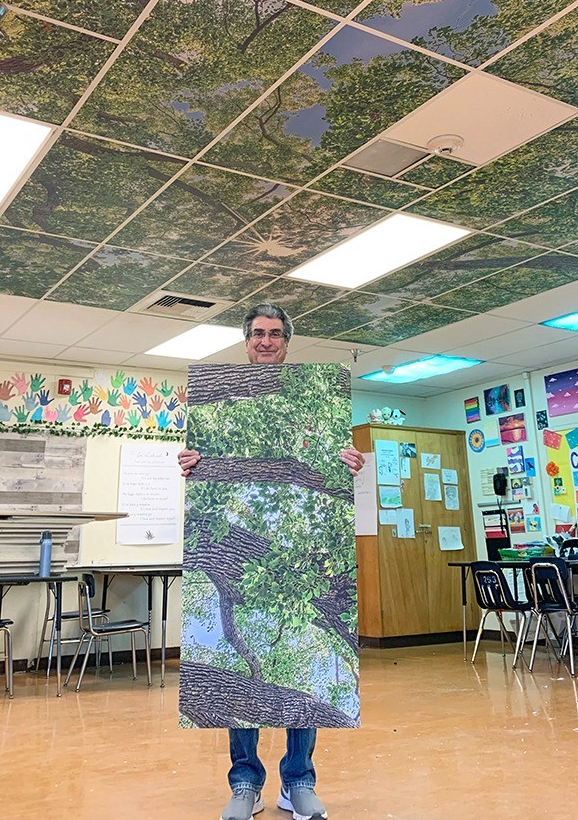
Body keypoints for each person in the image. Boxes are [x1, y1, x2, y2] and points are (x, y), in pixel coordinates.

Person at [178, 301, 365, 820]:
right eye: (258, 333)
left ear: (287, 342)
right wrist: (191, 464)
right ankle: (245, 784)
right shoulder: (217, 407)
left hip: (302, 551)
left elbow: (332, 473)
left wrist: (354, 464)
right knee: (236, 667)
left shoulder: (317, 405)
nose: (266, 341)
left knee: (307, 674)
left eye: (275, 334)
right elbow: (202, 471)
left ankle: (298, 782)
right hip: (243, 548)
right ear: (246, 341)